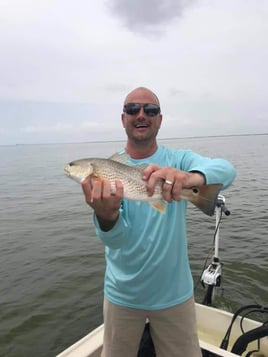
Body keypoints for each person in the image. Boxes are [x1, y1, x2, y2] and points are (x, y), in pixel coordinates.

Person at [81, 87, 236, 357]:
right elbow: (117, 241)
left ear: (160, 119)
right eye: (133, 109)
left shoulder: (178, 160)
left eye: (150, 110)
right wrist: (106, 217)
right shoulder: (109, 171)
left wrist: (190, 178)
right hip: (122, 295)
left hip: (173, 294)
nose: (141, 115)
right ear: (123, 118)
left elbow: (227, 170)